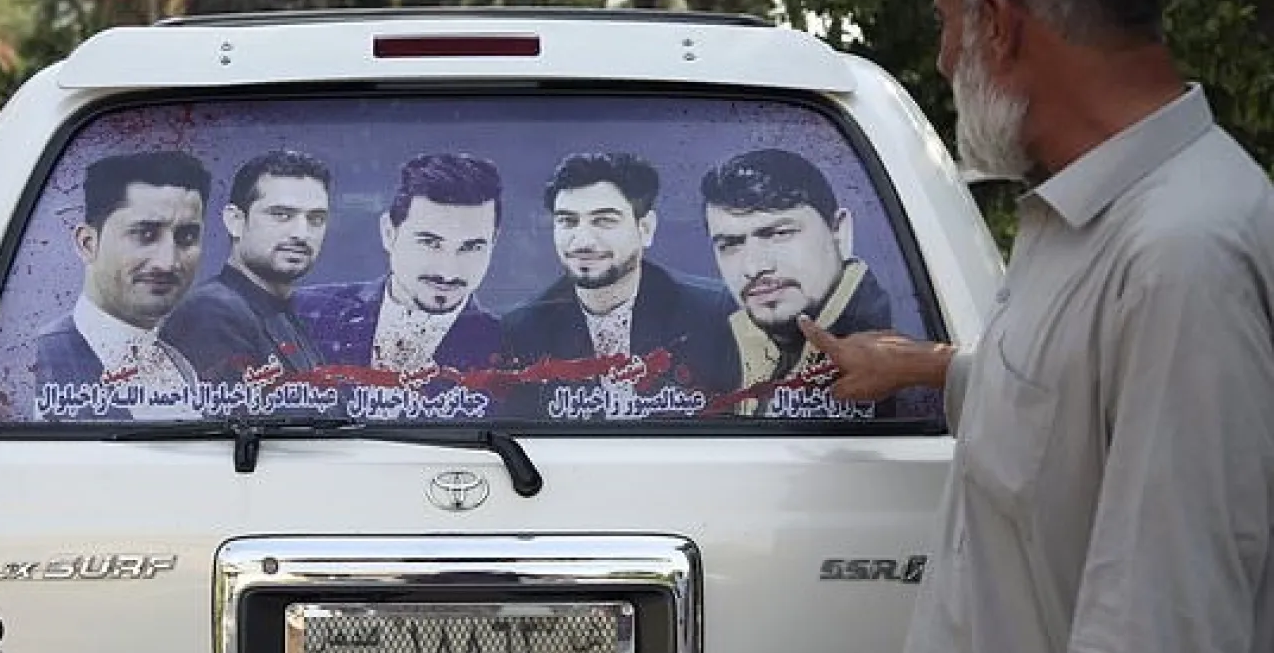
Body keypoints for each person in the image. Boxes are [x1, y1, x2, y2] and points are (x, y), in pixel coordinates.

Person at [797, 0, 1274, 653]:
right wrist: (929, 368)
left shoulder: (1184, 256)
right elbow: (1071, 422)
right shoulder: (1079, 214)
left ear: (996, 24)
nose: (941, 60)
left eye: (945, 24)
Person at [502, 151, 736, 397]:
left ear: (645, 229)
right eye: (568, 222)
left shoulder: (714, 313)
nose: (582, 242)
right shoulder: (523, 330)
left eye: (603, 221)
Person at [700, 147, 891, 415]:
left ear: (839, 232)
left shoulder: (897, 359)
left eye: (779, 233)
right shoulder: (712, 354)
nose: (754, 267)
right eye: (730, 245)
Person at [33, 149, 209, 420]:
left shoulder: (179, 365)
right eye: (145, 235)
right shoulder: (37, 363)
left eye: (186, 237)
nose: (167, 262)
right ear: (88, 244)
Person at [296, 152, 504, 373]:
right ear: (388, 233)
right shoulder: (301, 313)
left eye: (470, 247)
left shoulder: (509, 346)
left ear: (493, 242)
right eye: (430, 243)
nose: (448, 272)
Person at [160, 149, 330, 385]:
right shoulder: (211, 313)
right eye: (281, 215)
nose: (301, 234)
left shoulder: (279, 311)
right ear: (236, 221)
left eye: (316, 219)